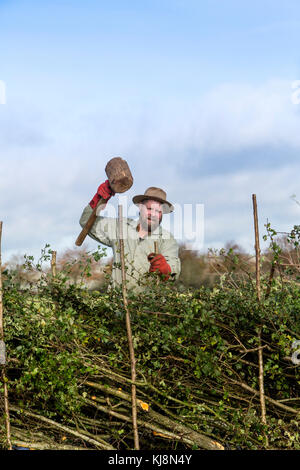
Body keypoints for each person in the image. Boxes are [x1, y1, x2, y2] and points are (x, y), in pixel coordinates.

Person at [79, 180, 181, 291]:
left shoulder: (167, 239)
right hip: (115, 304)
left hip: (148, 306)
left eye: (158, 211)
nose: (153, 214)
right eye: (149, 208)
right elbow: (86, 222)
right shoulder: (121, 227)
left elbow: (173, 270)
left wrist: (166, 269)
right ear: (140, 207)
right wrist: (98, 199)